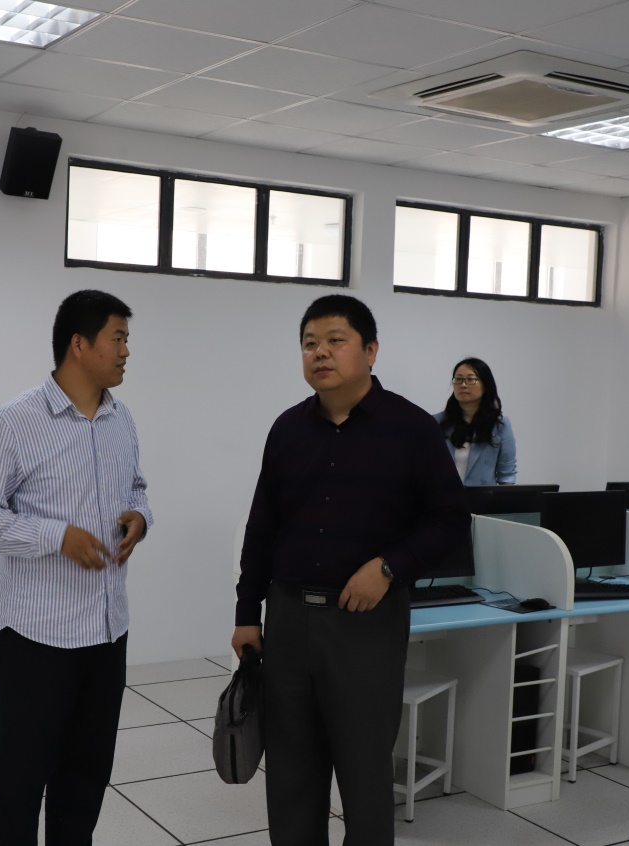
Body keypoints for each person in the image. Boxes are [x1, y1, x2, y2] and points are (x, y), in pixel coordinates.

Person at [232, 294, 468, 846]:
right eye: (309, 343)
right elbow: (262, 526)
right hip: (289, 619)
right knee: (290, 774)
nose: (320, 353)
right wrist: (247, 612)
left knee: (364, 775)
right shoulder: (287, 429)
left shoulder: (411, 428)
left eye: (335, 341)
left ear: (370, 351)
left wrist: (388, 568)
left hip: (366, 624)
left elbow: (451, 520)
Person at [0, 289, 152, 846]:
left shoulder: (120, 420)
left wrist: (139, 517)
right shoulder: (13, 422)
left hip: (107, 632)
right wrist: (54, 536)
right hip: (36, 638)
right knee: (20, 783)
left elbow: (136, 487)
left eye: (127, 339)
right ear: (79, 345)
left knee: (86, 779)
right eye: (118, 338)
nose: (126, 351)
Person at [435, 357, 516, 485]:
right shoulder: (436, 423)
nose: (463, 385)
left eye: (470, 379)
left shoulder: (500, 425)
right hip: (443, 495)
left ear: (485, 385)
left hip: (482, 497)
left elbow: (507, 476)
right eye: (458, 379)